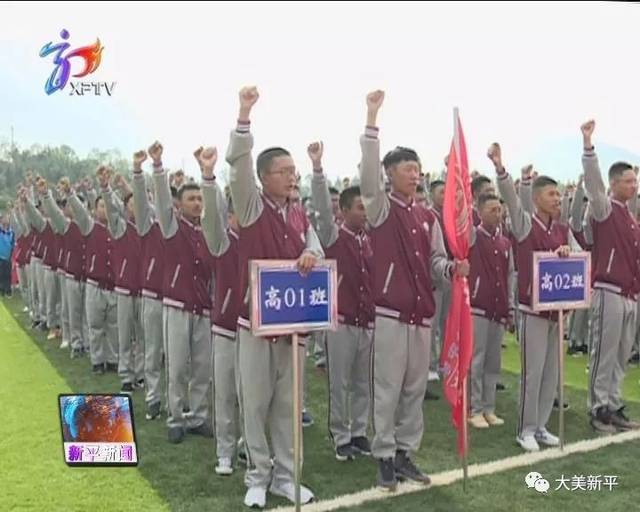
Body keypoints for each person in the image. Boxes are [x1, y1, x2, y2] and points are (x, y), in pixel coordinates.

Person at [359, 89, 467, 491]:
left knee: (414, 389)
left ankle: (405, 452)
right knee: (387, 388)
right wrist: (371, 121)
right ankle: (384, 454)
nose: (414, 174)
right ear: (390, 173)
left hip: (422, 316)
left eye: (417, 168)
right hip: (389, 314)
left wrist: (453, 269)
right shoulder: (381, 208)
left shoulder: (427, 217)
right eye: (406, 168)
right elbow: (367, 179)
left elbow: (436, 263)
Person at [227, 86, 323, 508]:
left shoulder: (299, 211)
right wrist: (244, 116)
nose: (292, 176)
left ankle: (287, 476)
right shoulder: (251, 206)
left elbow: (316, 247)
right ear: (265, 177)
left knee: (289, 403)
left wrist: (309, 253)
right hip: (256, 322)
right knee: (256, 401)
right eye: (284, 170)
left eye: (294, 171)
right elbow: (238, 171)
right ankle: (257, 475)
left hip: (293, 323)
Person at [489, 142, 570, 452]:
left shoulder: (561, 230)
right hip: (532, 310)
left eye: (559, 194)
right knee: (532, 372)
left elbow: (576, 258)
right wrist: (500, 168)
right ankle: (524, 429)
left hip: (556, 311)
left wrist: (566, 252)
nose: (558, 199)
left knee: (551, 373)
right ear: (537, 198)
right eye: (552, 194)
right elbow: (510, 198)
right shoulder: (525, 225)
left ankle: (541, 426)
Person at [309, 141, 374, 462]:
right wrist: (318, 169)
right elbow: (321, 209)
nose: (366, 213)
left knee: (364, 383)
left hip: (367, 321)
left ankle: (359, 432)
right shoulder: (335, 236)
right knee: (340, 383)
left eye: (368, 207)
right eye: (360, 207)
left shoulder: (371, 239)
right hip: (342, 322)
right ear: (345, 211)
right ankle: (340, 434)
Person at [151, 141, 214, 444]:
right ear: (180, 204)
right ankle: (176, 418)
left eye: (200, 198)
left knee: (202, 368)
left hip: (203, 308)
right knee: (176, 366)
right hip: (177, 305)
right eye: (191, 199)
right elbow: (163, 201)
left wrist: (206, 171)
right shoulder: (171, 227)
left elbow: (220, 204)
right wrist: (158, 166)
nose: (198, 203)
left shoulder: (208, 231)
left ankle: (199, 416)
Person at [580, 120, 640, 432]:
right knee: (604, 352)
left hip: (630, 294)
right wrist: (589, 146)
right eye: (629, 181)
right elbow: (592, 184)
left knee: (621, 355)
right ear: (614, 184)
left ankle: (613, 403)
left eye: (635, 181)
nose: (634, 185)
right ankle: (597, 407)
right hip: (608, 289)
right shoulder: (605, 209)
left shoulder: (631, 218)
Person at [197, 145, 243, 476]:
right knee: (226, 393)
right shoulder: (224, 240)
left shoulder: (265, 239)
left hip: (259, 329)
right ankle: (225, 450)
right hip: (228, 327)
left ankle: (248, 447)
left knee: (256, 398)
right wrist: (209, 178)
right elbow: (210, 218)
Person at [64, 170, 119, 375]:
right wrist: (70, 193)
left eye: (107, 206)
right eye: (101, 206)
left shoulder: (118, 229)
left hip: (112, 285)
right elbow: (79, 211)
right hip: (94, 284)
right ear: (95, 210)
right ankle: (97, 360)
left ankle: (113, 359)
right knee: (95, 324)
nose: (104, 210)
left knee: (113, 327)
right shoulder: (89, 226)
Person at [468, 193, 515, 428]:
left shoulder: (504, 242)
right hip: (478, 308)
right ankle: (474, 408)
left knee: (493, 362)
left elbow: (510, 276)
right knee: (477, 360)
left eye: (499, 210)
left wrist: (510, 307)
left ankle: (489, 407)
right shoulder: (474, 237)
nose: (497, 214)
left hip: (498, 309)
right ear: (479, 212)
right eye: (492, 210)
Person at [99, 169, 145, 394]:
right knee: (125, 335)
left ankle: (141, 374)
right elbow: (110, 208)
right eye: (132, 202)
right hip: (125, 290)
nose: (137, 206)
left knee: (144, 337)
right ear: (126, 207)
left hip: (144, 290)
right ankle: (127, 376)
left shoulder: (150, 227)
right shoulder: (120, 227)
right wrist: (106, 188)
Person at [131, 149, 166, 421]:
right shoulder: (148, 226)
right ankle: (154, 398)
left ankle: (180, 402)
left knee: (180, 358)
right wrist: (139, 170)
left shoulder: (186, 230)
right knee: (153, 350)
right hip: (154, 297)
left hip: (179, 300)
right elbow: (141, 202)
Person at [0, 210, 15, 296]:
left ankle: (8, 290)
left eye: (7, 218)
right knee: (1, 273)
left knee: (8, 274)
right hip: (0, 257)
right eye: (3, 218)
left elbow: (12, 244)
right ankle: (2, 290)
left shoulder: (11, 232)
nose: (5, 220)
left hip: (8, 256)